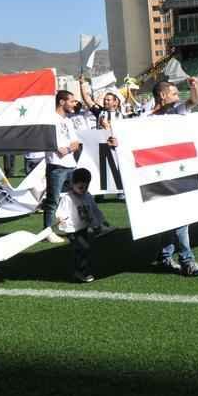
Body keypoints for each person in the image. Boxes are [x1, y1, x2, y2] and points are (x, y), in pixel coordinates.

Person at [113, 78, 198, 277]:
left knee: (174, 218)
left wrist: (194, 87)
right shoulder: (143, 118)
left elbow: (194, 101)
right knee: (176, 218)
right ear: (162, 96)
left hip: (177, 171)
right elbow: (130, 140)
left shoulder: (176, 111)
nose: (177, 96)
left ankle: (165, 257)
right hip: (154, 174)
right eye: (173, 93)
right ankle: (187, 260)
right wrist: (117, 141)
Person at [54, 167, 116, 283]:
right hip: (72, 230)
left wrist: (102, 221)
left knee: (83, 250)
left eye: (86, 186)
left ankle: (79, 271)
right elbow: (60, 211)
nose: (83, 189)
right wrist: (60, 218)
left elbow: (95, 209)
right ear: (72, 184)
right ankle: (82, 272)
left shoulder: (87, 196)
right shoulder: (67, 198)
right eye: (80, 187)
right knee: (84, 248)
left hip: (83, 228)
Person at [43, 89, 84, 244]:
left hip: (70, 164)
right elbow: (54, 146)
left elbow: (75, 143)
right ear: (62, 102)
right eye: (71, 101)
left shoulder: (68, 120)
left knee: (73, 198)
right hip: (56, 165)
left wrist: (67, 149)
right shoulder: (50, 119)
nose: (74, 104)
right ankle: (47, 231)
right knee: (53, 200)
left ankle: (71, 226)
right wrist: (66, 148)